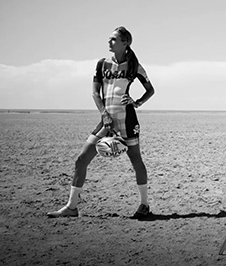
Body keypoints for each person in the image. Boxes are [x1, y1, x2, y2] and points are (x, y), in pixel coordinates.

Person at [48, 26, 155, 219]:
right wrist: (104, 114)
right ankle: (71, 207)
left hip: (128, 119)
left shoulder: (134, 66)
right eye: (109, 39)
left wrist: (137, 102)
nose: (109, 42)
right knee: (81, 160)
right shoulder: (102, 64)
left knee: (136, 161)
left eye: (114, 39)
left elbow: (150, 90)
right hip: (106, 120)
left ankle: (144, 205)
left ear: (125, 43)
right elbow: (95, 93)